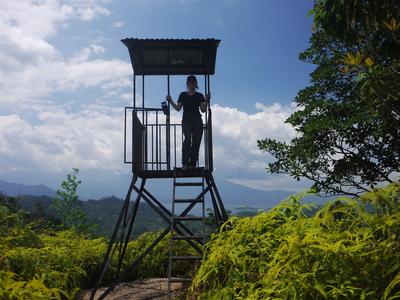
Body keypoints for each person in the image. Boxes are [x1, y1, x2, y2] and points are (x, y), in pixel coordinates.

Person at [166, 75, 209, 169]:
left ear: (195, 84)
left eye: (193, 82)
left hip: (197, 120)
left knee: (196, 142)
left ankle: (192, 163)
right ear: (187, 83)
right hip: (186, 120)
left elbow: (203, 110)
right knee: (187, 139)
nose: (191, 84)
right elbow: (178, 108)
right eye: (190, 82)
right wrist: (170, 101)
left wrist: (206, 100)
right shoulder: (183, 95)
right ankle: (185, 163)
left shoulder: (199, 95)